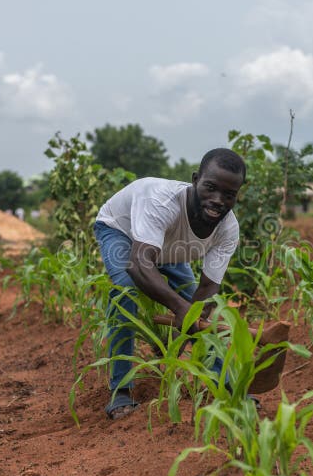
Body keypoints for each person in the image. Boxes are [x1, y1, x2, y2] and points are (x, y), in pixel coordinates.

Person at [93, 148, 246, 419]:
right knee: (125, 292)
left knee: (197, 310)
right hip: (123, 231)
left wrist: (191, 317)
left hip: (167, 246)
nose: (218, 200)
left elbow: (209, 288)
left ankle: (229, 386)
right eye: (210, 187)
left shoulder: (228, 229)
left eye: (229, 194)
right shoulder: (161, 202)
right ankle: (121, 393)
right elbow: (139, 264)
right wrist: (180, 308)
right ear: (196, 179)